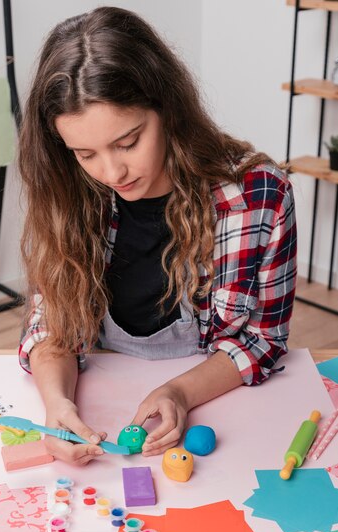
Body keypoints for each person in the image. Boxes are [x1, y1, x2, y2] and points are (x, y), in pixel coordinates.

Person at [18, 6, 297, 466]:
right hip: (104, 403)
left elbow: (262, 342)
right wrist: (57, 404)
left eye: (128, 142)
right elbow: (53, 326)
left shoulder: (258, 197)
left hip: (218, 410)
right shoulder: (69, 191)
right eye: (85, 153)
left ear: (167, 109)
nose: (112, 172)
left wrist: (180, 392)